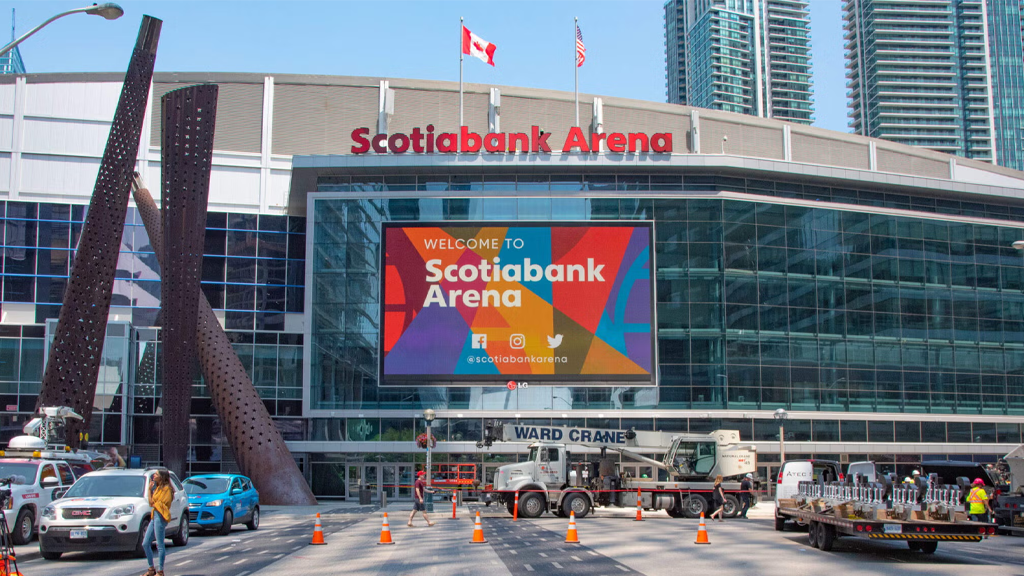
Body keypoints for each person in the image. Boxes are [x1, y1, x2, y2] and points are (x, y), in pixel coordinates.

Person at [142, 470, 173, 576]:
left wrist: (155, 503)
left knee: (160, 544)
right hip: (154, 515)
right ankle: (151, 569)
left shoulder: (167, 489)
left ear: (162, 477)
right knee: (145, 543)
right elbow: (151, 503)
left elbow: (163, 504)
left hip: (161, 516)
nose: (154, 476)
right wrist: (150, 489)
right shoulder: (157, 488)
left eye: (156, 474)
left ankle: (160, 571)